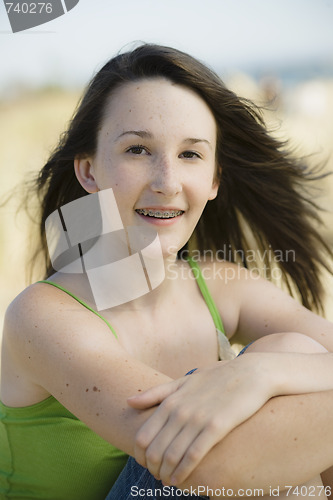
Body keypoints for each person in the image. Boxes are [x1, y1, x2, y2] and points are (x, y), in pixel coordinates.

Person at [0, 43, 333, 500]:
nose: (167, 182)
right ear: (89, 170)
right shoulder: (43, 317)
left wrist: (265, 374)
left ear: (214, 179)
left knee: (293, 350)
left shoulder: (221, 286)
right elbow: (208, 469)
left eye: (191, 155)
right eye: (137, 149)